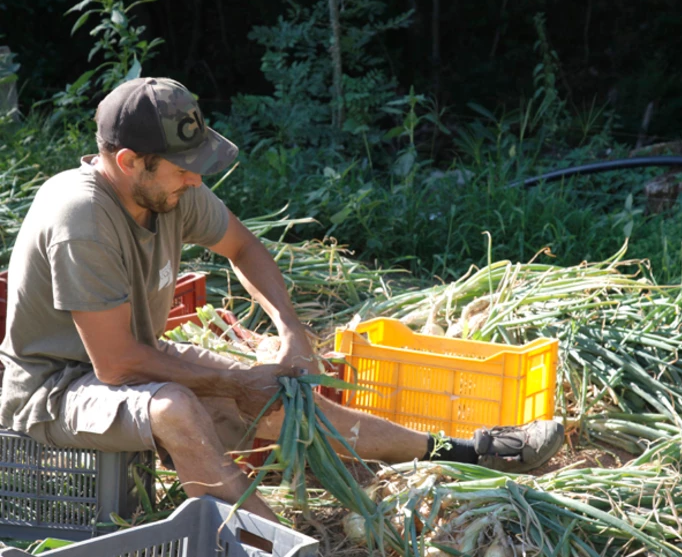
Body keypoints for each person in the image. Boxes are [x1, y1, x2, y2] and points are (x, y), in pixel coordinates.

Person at [0, 77, 564, 523]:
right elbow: (117, 363)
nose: (195, 181)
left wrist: (291, 329)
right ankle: (276, 548)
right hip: (57, 391)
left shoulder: (169, 192)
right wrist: (233, 380)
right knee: (178, 406)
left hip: (124, 370)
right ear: (128, 162)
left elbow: (243, 247)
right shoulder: (82, 217)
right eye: (182, 168)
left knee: (277, 398)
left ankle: (463, 450)